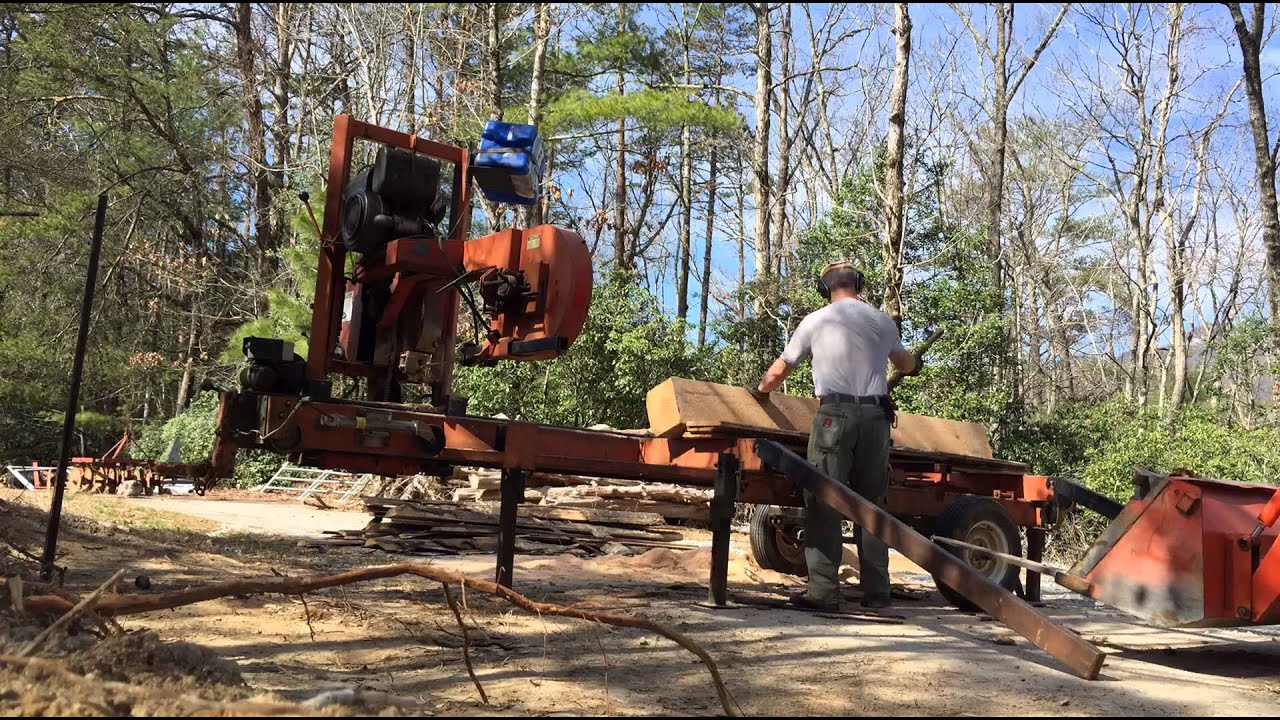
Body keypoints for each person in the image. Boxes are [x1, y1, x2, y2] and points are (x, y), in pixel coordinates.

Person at [751, 261, 920, 611]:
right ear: (857, 284)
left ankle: (824, 592)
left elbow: (783, 366)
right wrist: (913, 365)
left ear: (825, 288)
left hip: (834, 417)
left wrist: (761, 391)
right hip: (876, 419)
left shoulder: (816, 321)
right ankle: (877, 592)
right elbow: (905, 364)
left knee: (826, 499)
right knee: (871, 503)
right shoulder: (880, 320)